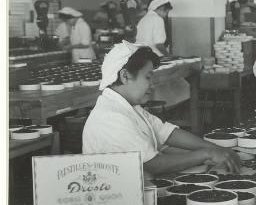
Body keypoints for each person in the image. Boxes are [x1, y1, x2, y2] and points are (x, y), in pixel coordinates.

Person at [82, 41, 240, 176]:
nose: (152, 85)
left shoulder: (130, 107)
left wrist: (218, 149)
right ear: (125, 76)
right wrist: (207, 153)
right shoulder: (111, 116)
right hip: (115, 200)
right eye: (148, 77)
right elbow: (152, 164)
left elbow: (167, 133)